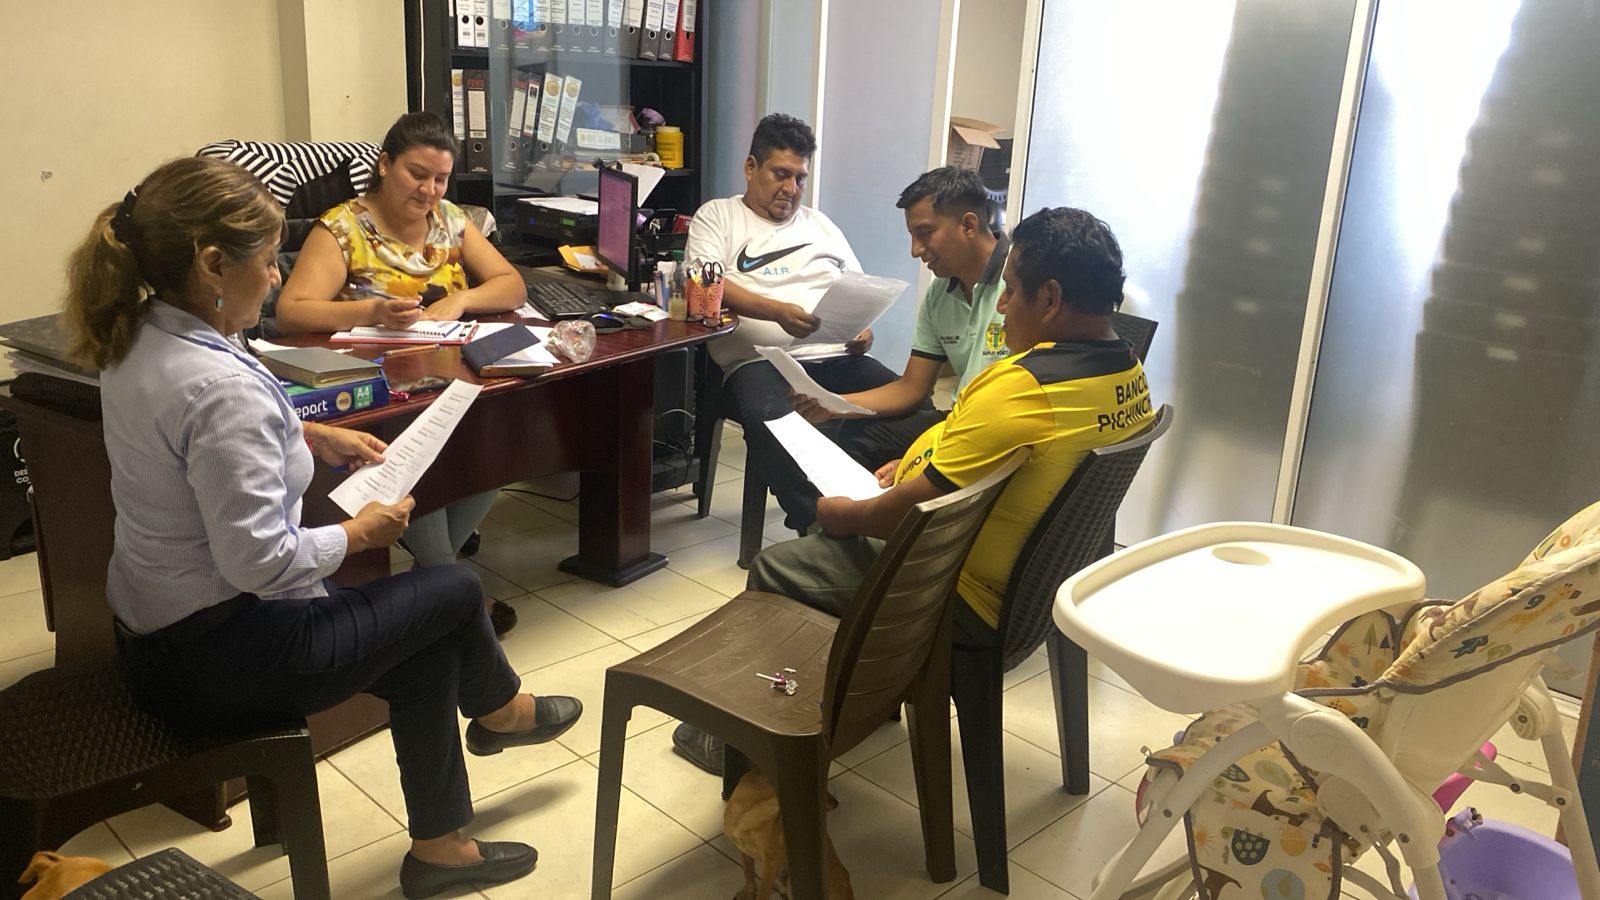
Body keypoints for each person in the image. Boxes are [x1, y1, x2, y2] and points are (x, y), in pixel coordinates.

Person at [63, 155, 581, 899]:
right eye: (267, 260)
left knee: (429, 647)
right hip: (221, 655)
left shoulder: (143, 335)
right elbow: (258, 561)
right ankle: (502, 710)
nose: (276, 277)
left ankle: (441, 848)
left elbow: (196, 440)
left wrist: (308, 434)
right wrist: (362, 534)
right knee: (453, 589)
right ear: (212, 264)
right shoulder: (219, 386)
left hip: (157, 636)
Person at [672, 207, 1154, 774]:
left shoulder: (1023, 386)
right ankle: (858, 700)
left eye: (1012, 290)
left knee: (781, 566)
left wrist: (841, 515)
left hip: (956, 590)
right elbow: (985, 450)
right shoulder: (1127, 373)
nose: (1002, 305)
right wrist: (916, 459)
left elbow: (915, 514)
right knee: (845, 508)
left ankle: (757, 748)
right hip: (1032, 588)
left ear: (1049, 298)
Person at [276, 112, 527, 635]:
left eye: (440, 179)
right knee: (415, 462)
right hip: (382, 393)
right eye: (417, 174)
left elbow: (511, 285)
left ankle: (438, 582)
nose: (429, 190)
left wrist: (461, 299)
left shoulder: (450, 220)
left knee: (507, 436)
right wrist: (370, 311)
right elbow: (292, 311)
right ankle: (453, 589)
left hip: (454, 377)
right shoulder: (342, 227)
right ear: (385, 164)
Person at [685, 112, 889, 532]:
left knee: (912, 408)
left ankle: (880, 505)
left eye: (800, 178)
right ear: (751, 167)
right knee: (777, 426)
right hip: (759, 363)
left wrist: (864, 330)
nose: (791, 189)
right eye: (781, 174)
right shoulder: (718, 216)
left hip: (837, 357)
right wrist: (776, 311)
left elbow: (859, 288)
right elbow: (704, 283)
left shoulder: (820, 225)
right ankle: (819, 523)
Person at [791, 166, 1011, 480]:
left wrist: (918, 459)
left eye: (924, 233)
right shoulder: (939, 293)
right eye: (912, 236)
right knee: (852, 437)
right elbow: (912, 388)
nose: (915, 250)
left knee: (912, 470)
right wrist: (834, 405)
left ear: (968, 225)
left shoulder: (1020, 282)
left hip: (1001, 430)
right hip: (958, 422)